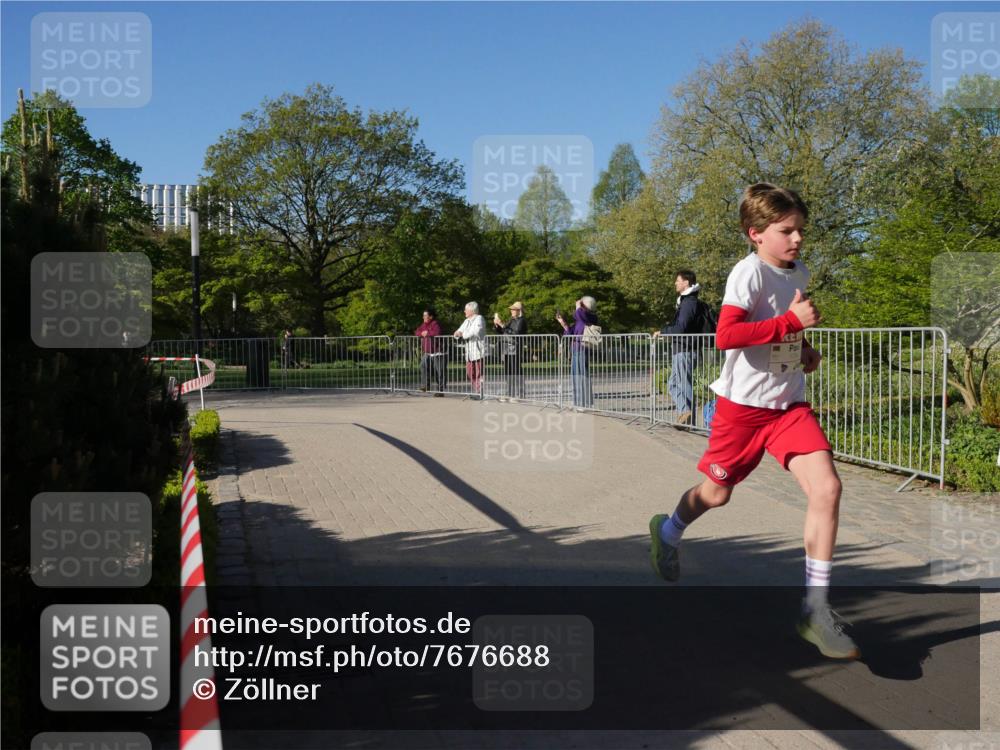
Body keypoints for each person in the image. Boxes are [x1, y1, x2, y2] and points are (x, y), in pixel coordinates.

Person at [648, 183, 859, 661]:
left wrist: (802, 351)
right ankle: (667, 532)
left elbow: (780, 334)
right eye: (787, 231)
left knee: (827, 489)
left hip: (788, 406)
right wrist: (791, 326)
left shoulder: (799, 270)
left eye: (801, 230)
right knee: (716, 493)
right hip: (742, 410)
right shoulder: (747, 274)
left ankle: (816, 609)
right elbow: (727, 336)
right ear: (756, 234)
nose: (798, 239)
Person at [653, 271, 703, 424]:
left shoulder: (689, 303)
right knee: (673, 384)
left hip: (685, 349)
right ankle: (685, 413)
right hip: (681, 349)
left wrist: (663, 332)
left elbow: (681, 328)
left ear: (686, 282)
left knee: (682, 383)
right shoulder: (686, 302)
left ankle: (688, 417)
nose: (675, 283)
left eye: (678, 281)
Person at [556, 296, 598, 409]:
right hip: (575, 349)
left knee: (582, 375)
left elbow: (578, 314)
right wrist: (563, 324)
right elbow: (570, 333)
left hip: (583, 348)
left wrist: (578, 306)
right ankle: (578, 402)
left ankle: (584, 403)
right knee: (575, 375)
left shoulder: (590, 316)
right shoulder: (580, 319)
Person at [494, 301, 528, 400]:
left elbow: (515, 333)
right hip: (507, 349)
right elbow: (503, 332)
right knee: (508, 371)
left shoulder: (522, 321)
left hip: (515, 349)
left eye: (513, 309)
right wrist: (497, 325)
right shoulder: (511, 319)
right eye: (511, 309)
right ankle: (510, 393)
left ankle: (520, 394)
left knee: (516, 371)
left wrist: (502, 325)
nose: (511, 311)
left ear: (519, 311)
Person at [453, 301, 485, 397]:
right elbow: (458, 332)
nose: (464, 311)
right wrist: (458, 334)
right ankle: (477, 390)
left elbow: (475, 331)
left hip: (479, 351)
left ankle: (480, 393)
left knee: (479, 373)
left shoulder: (479, 318)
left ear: (472, 310)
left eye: (466, 310)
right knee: (470, 373)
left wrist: (463, 334)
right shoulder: (466, 321)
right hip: (469, 353)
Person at [414, 308, 445, 395]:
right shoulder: (423, 324)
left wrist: (427, 333)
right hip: (427, 352)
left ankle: (440, 391)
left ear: (431, 317)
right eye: (423, 315)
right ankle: (425, 385)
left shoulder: (435, 324)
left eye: (425, 315)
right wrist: (422, 333)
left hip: (437, 352)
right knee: (423, 366)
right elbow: (417, 332)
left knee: (439, 371)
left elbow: (437, 332)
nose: (423, 317)